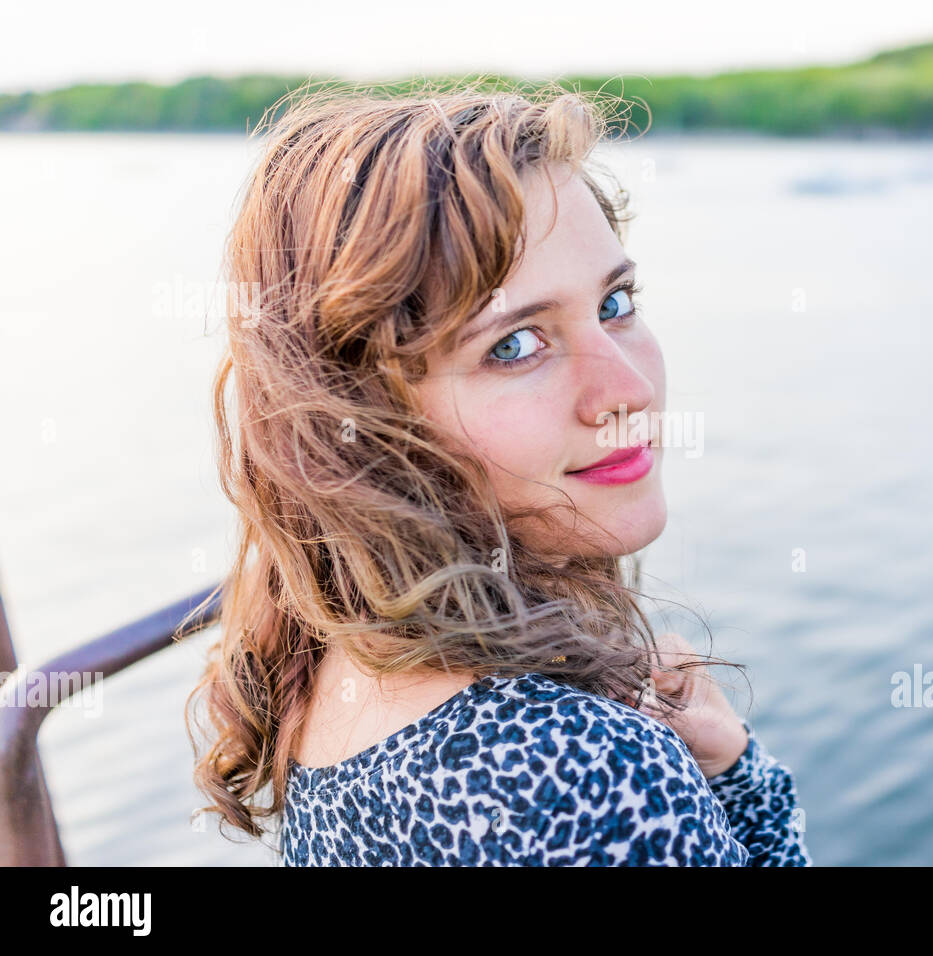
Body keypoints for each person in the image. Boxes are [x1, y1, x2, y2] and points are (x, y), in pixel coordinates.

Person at [186, 80, 811, 866]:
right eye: (513, 346)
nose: (630, 389)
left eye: (616, 302)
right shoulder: (589, 776)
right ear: (361, 420)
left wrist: (724, 778)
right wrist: (750, 785)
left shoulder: (325, 670)